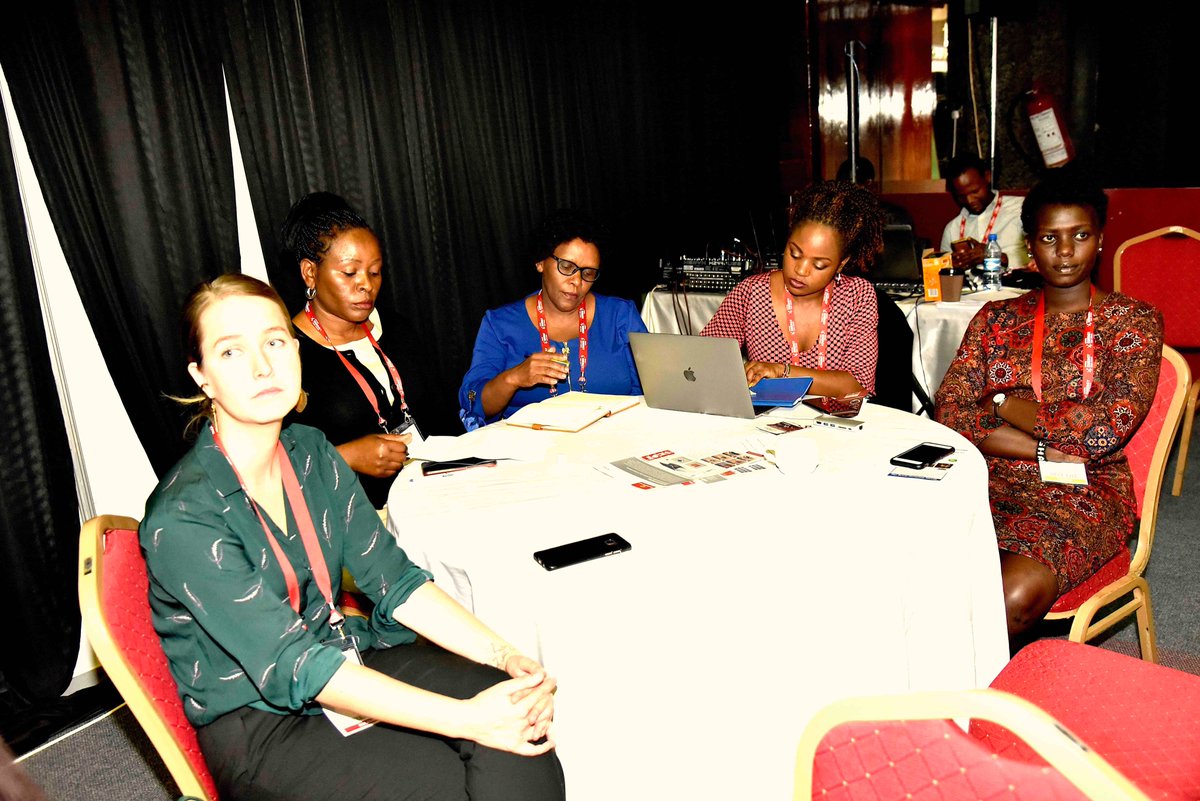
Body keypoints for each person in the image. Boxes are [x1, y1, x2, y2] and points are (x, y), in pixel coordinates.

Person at [143, 274, 564, 801]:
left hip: (344, 652)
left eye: (274, 342)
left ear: (296, 350)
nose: (261, 366)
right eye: (231, 352)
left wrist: (503, 655)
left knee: (520, 719)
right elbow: (296, 664)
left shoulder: (313, 452)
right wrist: (465, 720)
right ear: (201, 376)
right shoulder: (183, 518)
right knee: (448, 778)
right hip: (262, 724)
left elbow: (396, 581)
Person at [935, 170, 1163, 639]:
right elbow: (951, 413)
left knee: (1007, 596)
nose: (1064, 251)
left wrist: (998, 401)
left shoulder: (1133, 323)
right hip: (986, 475)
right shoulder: (996, 318)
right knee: (906, 564)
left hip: (1085, 491)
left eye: (1079, 235)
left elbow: (1097, 433)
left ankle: (975, 705)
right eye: (1049, 238)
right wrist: (1039, 450)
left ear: (1099, 240)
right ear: (1030, 246)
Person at [280, 192, 416, 509]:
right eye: (350, 273)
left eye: (375, 271)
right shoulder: (287, 355)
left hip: (428, 496)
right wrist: (347, 457)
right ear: (310, 273)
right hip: (351, 522)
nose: (366, 285)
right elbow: (270, 469)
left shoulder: (396, 329)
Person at [458, 209, 647, 429]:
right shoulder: (500, 324)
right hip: (532, 452)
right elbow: (474, 401)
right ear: (540, 263)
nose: (576, 282)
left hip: (611, 445)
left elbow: (649, 392)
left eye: (587, 273)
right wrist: (514, 378)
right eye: (566, 267)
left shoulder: (619, 316)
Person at [699, 180, 883, 397]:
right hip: (766, 423)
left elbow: (858, 385)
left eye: (819, 264)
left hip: (833, 427)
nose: (801, 270)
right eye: (794, 253)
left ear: (841, 263)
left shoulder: (857, 296)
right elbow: (703, 361)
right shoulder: (751, 293)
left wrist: (781, 371)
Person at [939, 154, 1030, 271]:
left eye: (975, 191)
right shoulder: (953, 228)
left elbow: (1040, 258)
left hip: (1016, 287)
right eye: (961, 197)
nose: (970, 201)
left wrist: (997, 257)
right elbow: (942, 273)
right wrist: (953, 267)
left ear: (987, 177)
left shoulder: (1020, 209)